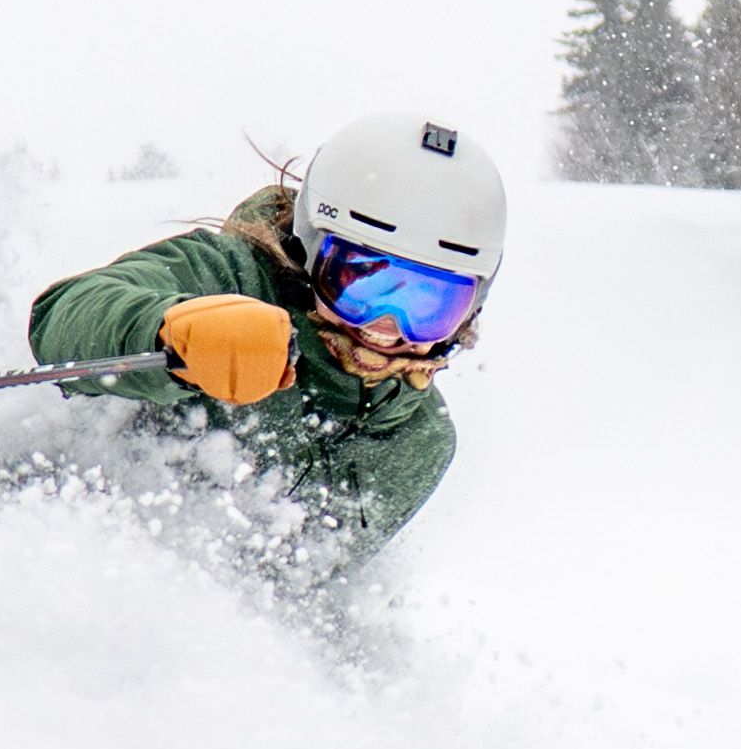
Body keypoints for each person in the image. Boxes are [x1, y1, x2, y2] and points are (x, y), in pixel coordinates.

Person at [29, 108, 503, 575]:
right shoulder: (228, 278)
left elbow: (301, 585)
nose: (388, 327)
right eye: (362, 282)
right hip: (58, 542)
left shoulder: (418, 437)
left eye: (430, 305)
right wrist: (168, 329)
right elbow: (63, 316)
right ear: (311, 248)